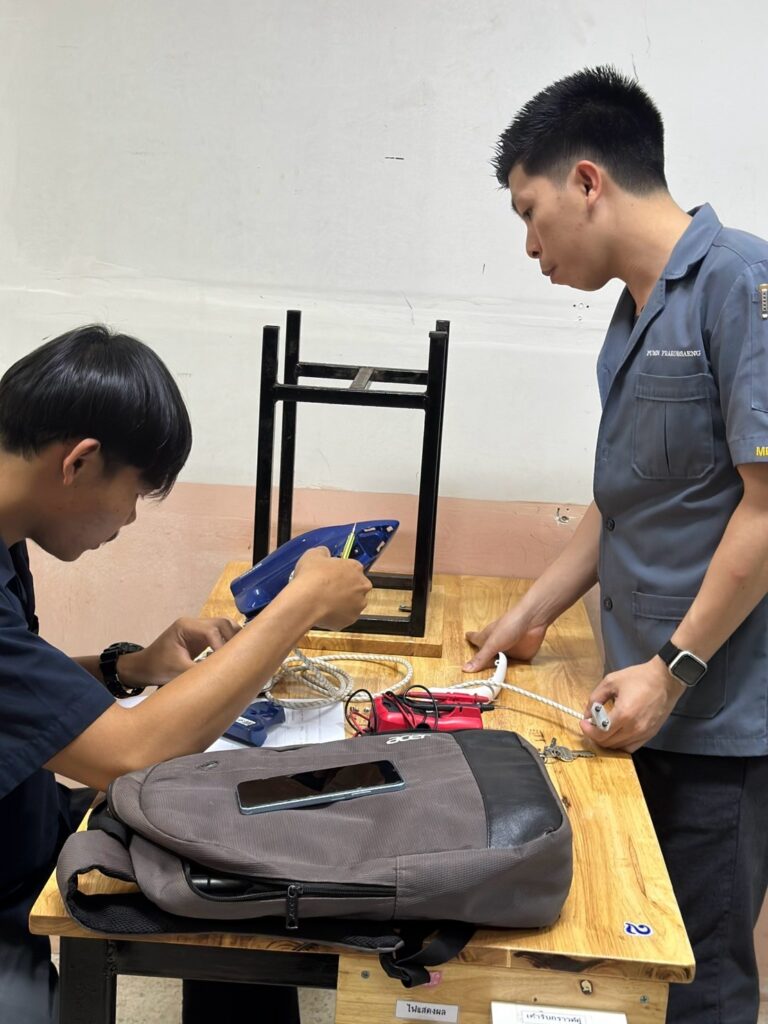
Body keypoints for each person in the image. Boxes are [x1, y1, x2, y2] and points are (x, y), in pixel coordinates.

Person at [464, 66, 768, 1023]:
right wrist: (528, 613)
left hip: (714, 716)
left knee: (700, 980)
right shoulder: (637, 310)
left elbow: (767, 511)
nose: (529, 245)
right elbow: (625, 503)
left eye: (530, 212)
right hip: (642, 696)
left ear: (588, 181)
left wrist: (672, 673)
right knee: (632, 958)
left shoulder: (741, 284)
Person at [0, 324, 371, 1024]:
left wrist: (129, 668)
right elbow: (128, 754)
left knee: (233, 871)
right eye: (135, 493)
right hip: (7, 879)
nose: (129, 519)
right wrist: (298, 607)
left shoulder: (6, 533)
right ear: (80, 462)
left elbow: (19, 693)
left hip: (28, 818)